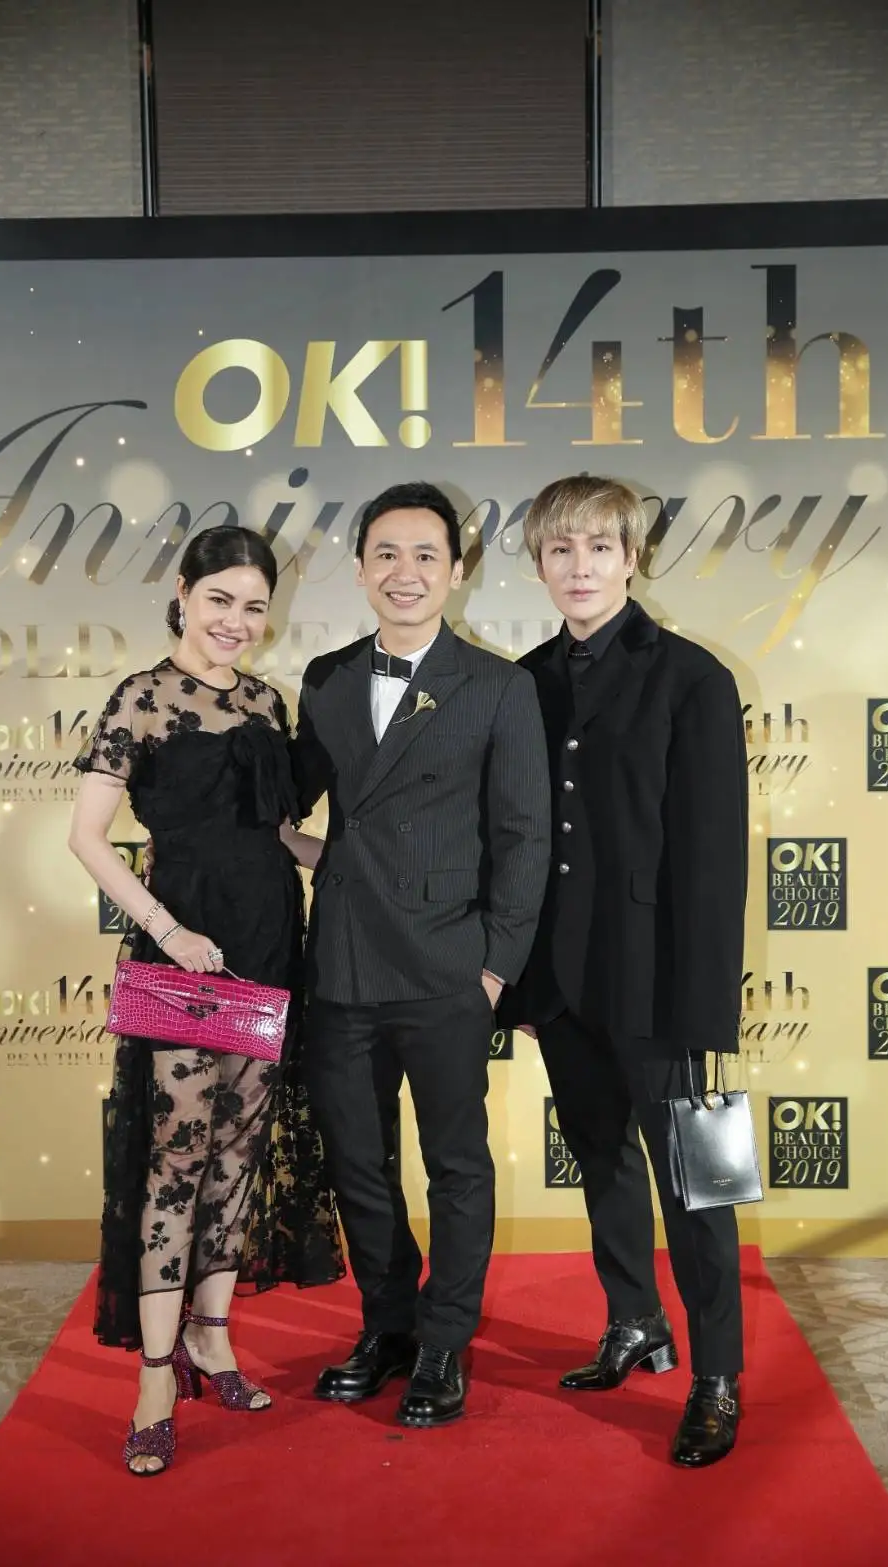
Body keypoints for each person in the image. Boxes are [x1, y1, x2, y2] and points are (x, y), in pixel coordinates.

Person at [69, 524, 342, 1477]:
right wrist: (168, 928)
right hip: (181, 955)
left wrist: (359, 864)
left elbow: (275, 835)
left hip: (266, 946)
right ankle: (154, 1376)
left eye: (254, 606)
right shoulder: (140, 698)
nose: (235, 621)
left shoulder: (267, 701)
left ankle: (212, 1338)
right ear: (183, 593)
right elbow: (87, 837)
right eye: (219, 599)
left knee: (238, 1152)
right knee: (176, 1158)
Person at [499, 475, 748, 1468]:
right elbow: (519, 844)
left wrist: (704, 1005)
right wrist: (519, 980)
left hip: (660, 984)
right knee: (600, 1156)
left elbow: (713, 859)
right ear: (539, 563)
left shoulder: (692, 677)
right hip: (562, 980)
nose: (580, 567)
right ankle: (634, 1321)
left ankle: (717, 1375)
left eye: (598, 546)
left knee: (699, 1183)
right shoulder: (521, 680)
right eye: (560, 549)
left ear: (632, 556)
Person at [291, 481, 551, 1427]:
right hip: (342, 965)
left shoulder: (498, 685)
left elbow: (523, 837)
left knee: (455, 1165)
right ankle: (388, 1325)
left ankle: (444, 1340)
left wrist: (493, 967)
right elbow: (296, 805)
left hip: (446, 968)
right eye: (387, 554)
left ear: (456, 570)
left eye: (425, 555)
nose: (405, 572)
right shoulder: (323, 678)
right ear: (360, 569)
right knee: (358, 1163)